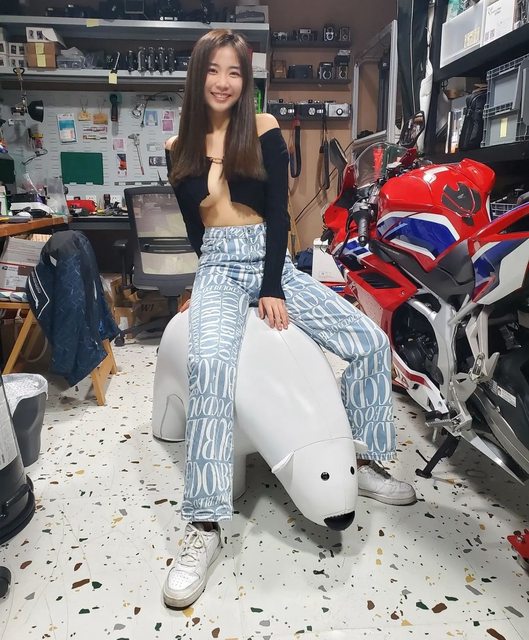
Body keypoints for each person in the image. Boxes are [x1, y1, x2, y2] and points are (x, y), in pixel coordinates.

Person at [163, 28, 416, 609]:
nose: (224, 82)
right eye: (213, 70)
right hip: (219, 267)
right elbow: (197, 233)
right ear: (198, 76)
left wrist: (272, 286)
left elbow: (278, 214)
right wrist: (205, 286)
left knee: (368, 341)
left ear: (245, 80)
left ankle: (365, 459)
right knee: (209, 367)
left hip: (269, 260)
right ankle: (204, 524)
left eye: (234, 72)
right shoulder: (179, 147)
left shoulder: (265, 129)